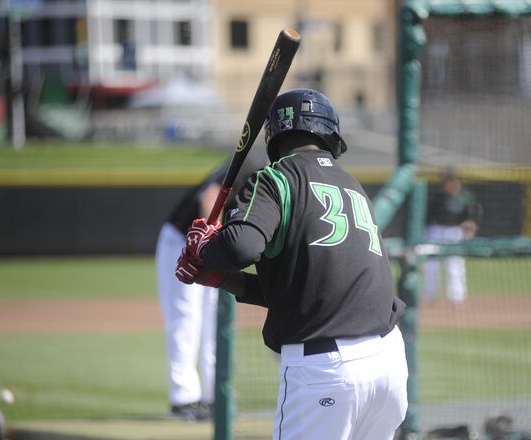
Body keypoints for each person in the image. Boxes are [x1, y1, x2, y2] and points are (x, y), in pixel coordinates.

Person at [175, 88, 408, 439]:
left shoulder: (275, 178)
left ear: (275, 135)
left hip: (325, 369)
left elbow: (240, 248)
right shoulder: (352, 185)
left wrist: (207, 248)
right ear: (329, 133)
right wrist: (221, 277)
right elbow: (305, 290)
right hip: (388, 362)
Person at [155, 164, 226, 421]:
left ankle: (214, 396)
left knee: (214, 320)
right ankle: (183, 399)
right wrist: (209, 247)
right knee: (186, 317)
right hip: (183, 241)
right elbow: (208, 198)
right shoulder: (252, 161)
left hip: (211, 247)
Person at [423, 169, 481, 304]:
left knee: (455, 263)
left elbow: (473, 214)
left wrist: (471, 224)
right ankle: (430, 297)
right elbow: (427, 215)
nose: (445, 182)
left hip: (454, 231)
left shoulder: (465, 196)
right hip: (436, 231)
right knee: (431, 264)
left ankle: (457, 298)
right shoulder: (437, 195)